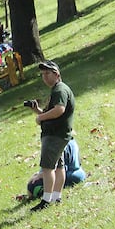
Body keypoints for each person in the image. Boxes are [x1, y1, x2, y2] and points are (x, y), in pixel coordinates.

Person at [28, 60, 75, 211]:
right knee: (59, 167)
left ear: (57, 74)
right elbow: (53, 113)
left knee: (47, 168)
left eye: (48, 73)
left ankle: (46, 200)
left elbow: (59, 110)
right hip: (59, 134)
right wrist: (38, 111)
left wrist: (40, 118)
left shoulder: (59, 90)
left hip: (55, 135)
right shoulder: (59, 89)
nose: (45, 77)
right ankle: (56, 196)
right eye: (42, 75)